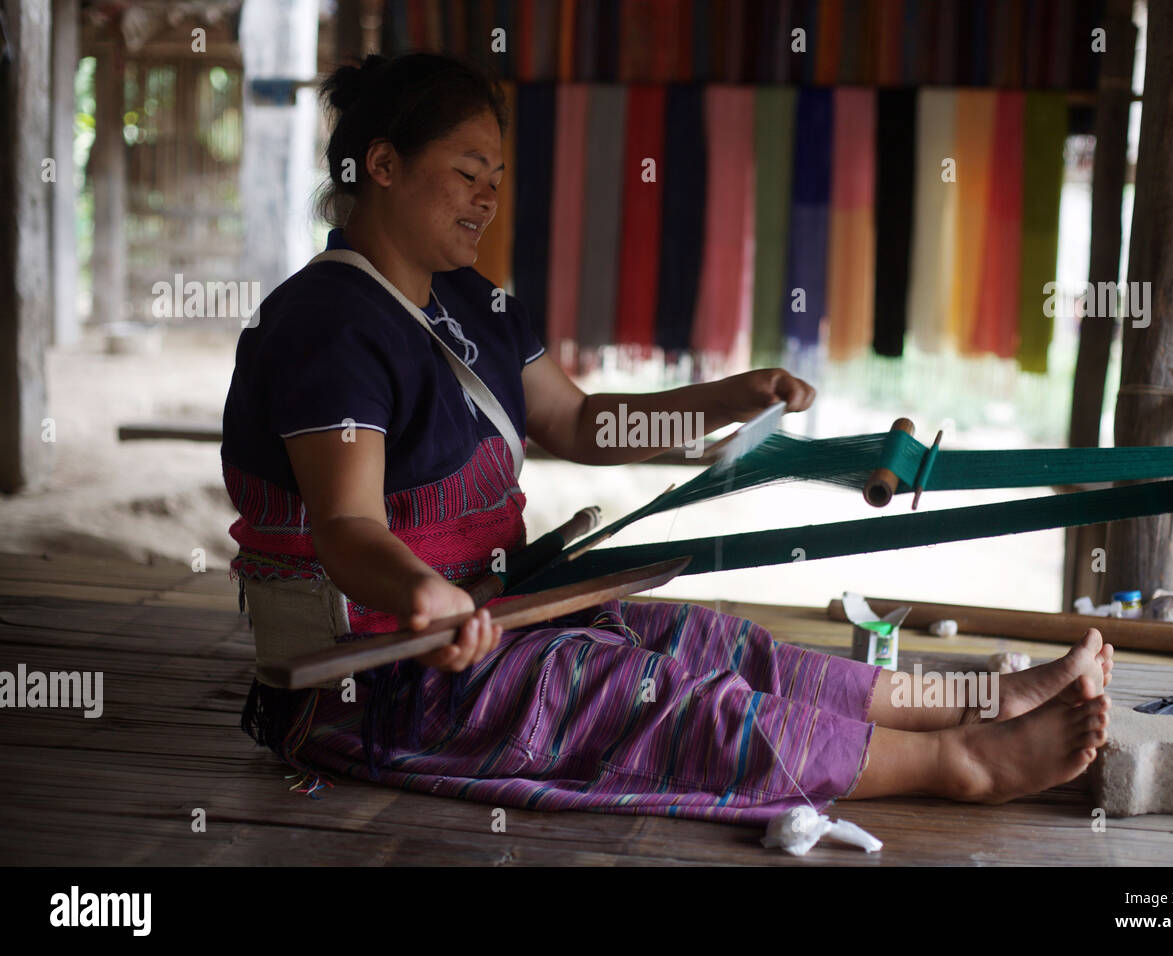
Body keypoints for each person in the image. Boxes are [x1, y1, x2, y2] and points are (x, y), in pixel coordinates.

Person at [220, 52, 1112, 826]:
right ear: (383, 164)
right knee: (669, 703)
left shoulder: (472, 303)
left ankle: (974, 699)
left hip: (500, 616)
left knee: (720, 646)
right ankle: (964, 764)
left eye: (495, 173)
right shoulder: (328, 327)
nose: (489, 195)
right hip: (376, 683)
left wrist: (727, 397)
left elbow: (578, 422)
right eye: (467, 171)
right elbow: (345, 528)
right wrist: (429, 596)